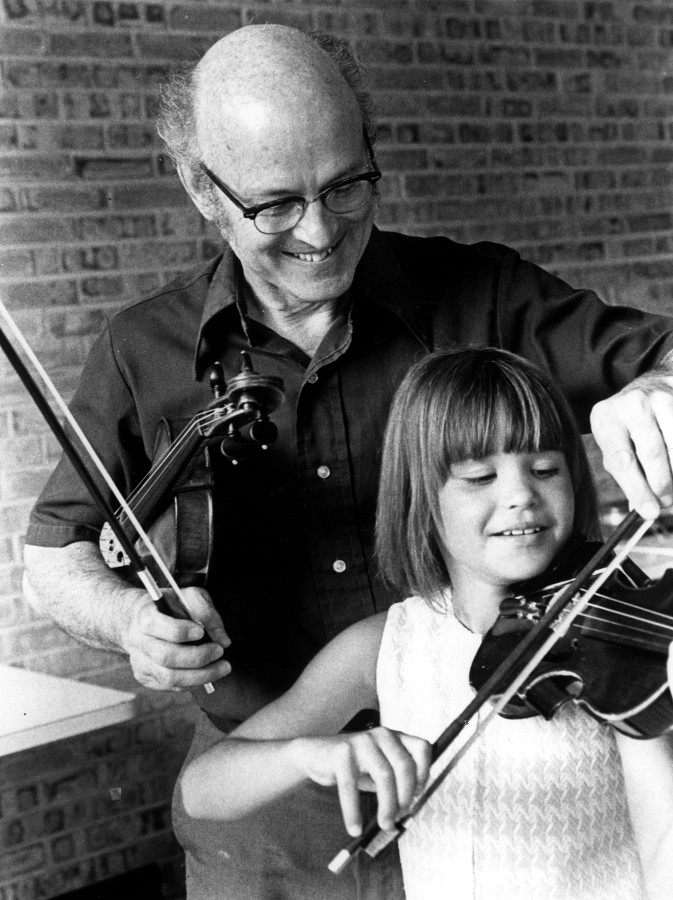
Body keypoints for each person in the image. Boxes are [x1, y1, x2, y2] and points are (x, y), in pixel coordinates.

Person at [21, 23, 673, 900]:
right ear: (201, 189)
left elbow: (662, 356)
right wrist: (128, 621)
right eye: (274, 204)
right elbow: (57, 552)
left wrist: (658, 386)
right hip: (272, 785)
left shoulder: (480, 292)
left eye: (345, 185)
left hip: (498, 773)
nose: (321, 231)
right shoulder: (145, 350)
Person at [178, 347, 673, 900]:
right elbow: (202, 791)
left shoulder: (621, 643)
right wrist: (304, 754)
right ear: (422, 502)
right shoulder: (387, 646)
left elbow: (663, 847)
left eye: (545, 469)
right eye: (479, 476)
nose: (520, 496)